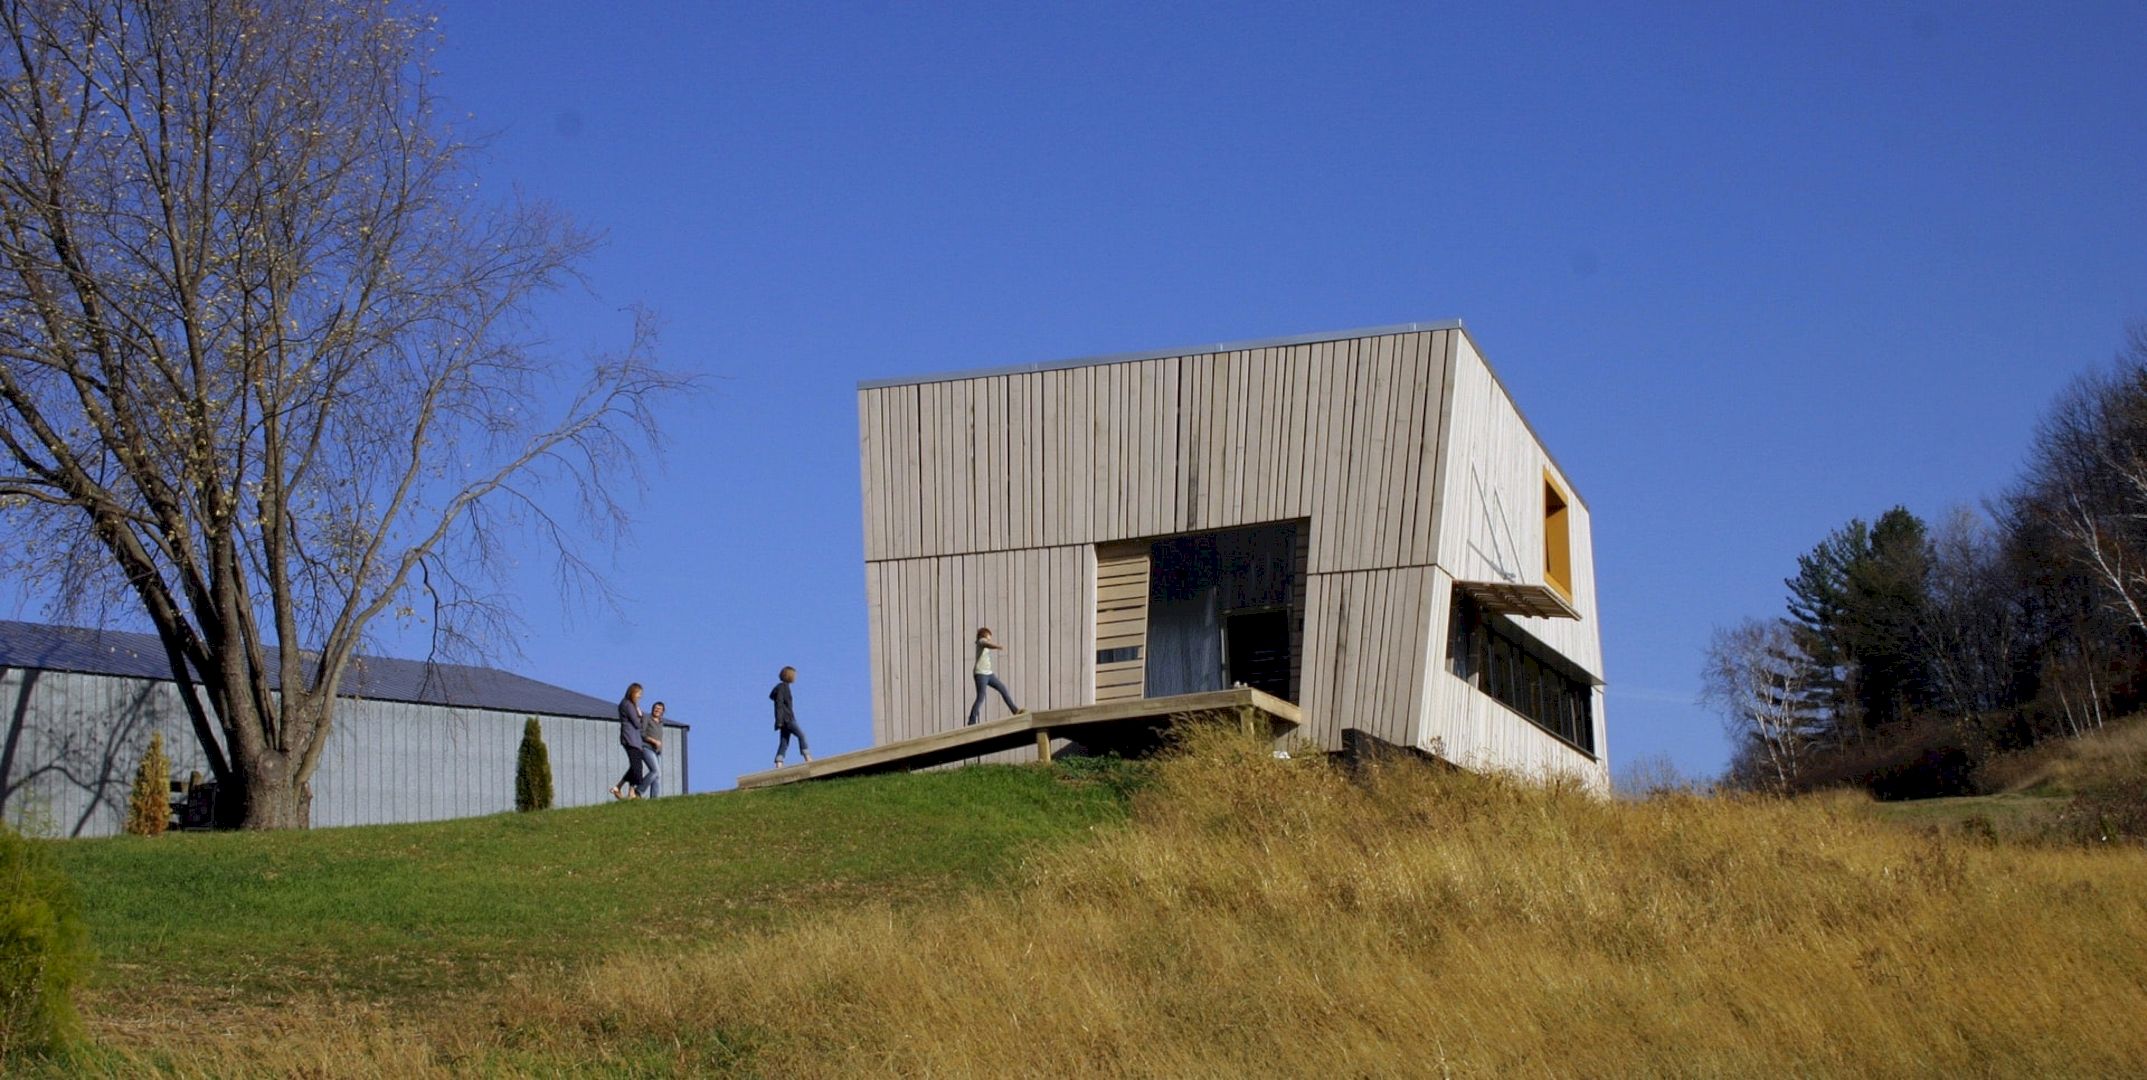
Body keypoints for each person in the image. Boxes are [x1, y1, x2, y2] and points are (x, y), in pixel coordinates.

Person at [966, 627, 1022, 726]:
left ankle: (1015, 710)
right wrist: (997, 646)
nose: (989, 639)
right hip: (980, 674)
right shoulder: (981, 641)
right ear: (984, 635)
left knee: (1003, 688)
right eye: (989, 637)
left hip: (989, 674)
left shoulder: (983, 641)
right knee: (981, 697)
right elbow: (987, 644)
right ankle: (972, 720)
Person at [612, 682, 647, 800]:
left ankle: (624, 789)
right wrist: (640, 716)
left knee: (634, 766)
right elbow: (637, 724)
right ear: (633, 692)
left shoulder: (627, 704)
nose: (640, 696)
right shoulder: (628, 705)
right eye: (639, 693)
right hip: (631, 739)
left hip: (634, 740)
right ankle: (627, 790)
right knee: (637, 769)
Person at [771, 666, 810, 767]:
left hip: (785, 719)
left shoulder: (785, 687)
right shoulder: (782, 688)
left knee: (784, 742)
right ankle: (807, 757)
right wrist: (779, 721)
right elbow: (779, 704)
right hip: (787, 719)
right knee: (801, 735)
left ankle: (779, 762)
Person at [641, 701, 668, 798]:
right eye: (655, 708)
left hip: (657, 752)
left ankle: (654, 799)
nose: (657, 710)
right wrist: (654, 741)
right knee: (655, 771)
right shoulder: (647, 718)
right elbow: (642, 734)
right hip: (647, 748)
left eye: (659, 709)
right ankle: (639, 790)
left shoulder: (661, 723)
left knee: (657, 776)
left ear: (663, 712)